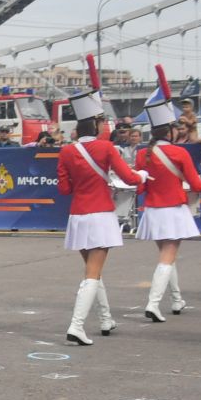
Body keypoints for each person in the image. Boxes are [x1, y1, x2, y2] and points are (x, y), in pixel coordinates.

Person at [58, 59, 147, 346]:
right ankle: (77, 325)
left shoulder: (67, 151)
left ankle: (106, 318)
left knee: (92, 271)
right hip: (99, 215)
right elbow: (130, 178)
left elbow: (64, 188)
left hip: (78, 216)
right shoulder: (106, 147)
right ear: (96, 124)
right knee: (93, 273)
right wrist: (142, 175)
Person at [133, 74, 201, 321]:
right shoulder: (179, 153)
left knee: (166, 257)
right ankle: (154, 303)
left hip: (153, 211)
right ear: (169, 130)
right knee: (168, 258)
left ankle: (177, 299)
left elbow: (139, 189)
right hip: (174, 209)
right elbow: (197, 185)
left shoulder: (141, 155)